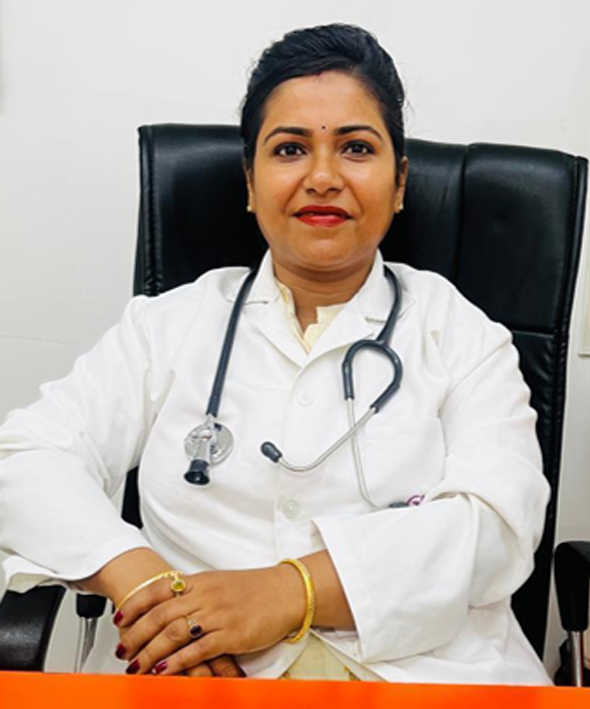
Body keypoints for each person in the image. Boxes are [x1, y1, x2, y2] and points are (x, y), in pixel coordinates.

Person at [0, 24, 551, 684]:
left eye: (356, 148)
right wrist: (146, 587)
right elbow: (27, 457)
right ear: (250, 182)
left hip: (420, 674)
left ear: (400, 182)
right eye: (289, 149)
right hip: (202, 673)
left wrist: (292, 590)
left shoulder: (463, 335)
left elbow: (496, 527)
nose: (322, 177)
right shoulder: (167, 325)